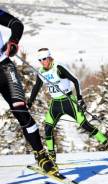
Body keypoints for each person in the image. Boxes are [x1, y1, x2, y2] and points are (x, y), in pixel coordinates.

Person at [27, 48, 108, 162]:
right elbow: (37, 87)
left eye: (44, 59)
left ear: (49, 57)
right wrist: (30, 102)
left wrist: (80, 98)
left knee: (85, 125)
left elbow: (75, 80)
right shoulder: (41, 71)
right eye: (40, 60)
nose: (42, 62)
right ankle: (52, 157)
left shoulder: (58, 67)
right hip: (55, 103)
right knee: (47, 128)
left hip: (68, 101)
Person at [0, 9, 57, 174]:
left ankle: (40, 154)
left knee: (21, 111)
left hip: (4, 68)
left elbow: (17, 24)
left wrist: (13, 41)